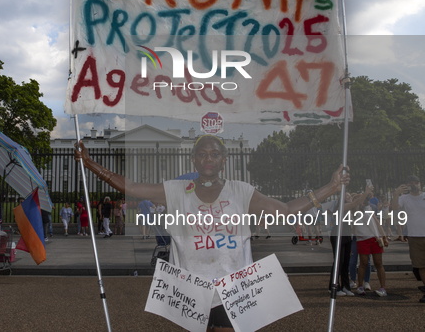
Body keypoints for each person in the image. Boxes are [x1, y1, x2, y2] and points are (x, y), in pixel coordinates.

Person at [75, 135, 349, 331]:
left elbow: (286, 209)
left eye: (214, 153)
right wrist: (90, 165)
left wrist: (331, 187)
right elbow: (131, 187)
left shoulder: (241, 191)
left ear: (224, 160)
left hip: (233, 292)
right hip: (190, 292)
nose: (208, 158)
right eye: (202, 153)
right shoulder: (176, 191)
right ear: (193, 159)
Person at [323, 189, 372, 296]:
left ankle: (345, 286)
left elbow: (358, 205)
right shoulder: (341, 206)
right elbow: (356, 202)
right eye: (347, 196)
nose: (350, 197)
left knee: (346, 263)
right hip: (338, 236)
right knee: (338, 262)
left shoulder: (351, 209)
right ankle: (333, 287)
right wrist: (366, 192)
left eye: (350, 196)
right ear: (342, 198)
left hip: (347, 236)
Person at [392, 175, 425, 303]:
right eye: (411, 183)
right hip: (415, 235)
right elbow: (395, 208)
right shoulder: (404, 198)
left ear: (420, 184)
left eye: (416, 183)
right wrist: (396, 193)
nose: (414, 185)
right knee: (421, 265)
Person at [354, 194, 389, 296]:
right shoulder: (355, 210)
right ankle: (360, 285)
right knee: (363, 263)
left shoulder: (369, 208)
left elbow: (377, 222)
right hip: (362, 239)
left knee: (378, 263)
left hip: (374, 238)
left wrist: (384, 236)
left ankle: (383, 288)